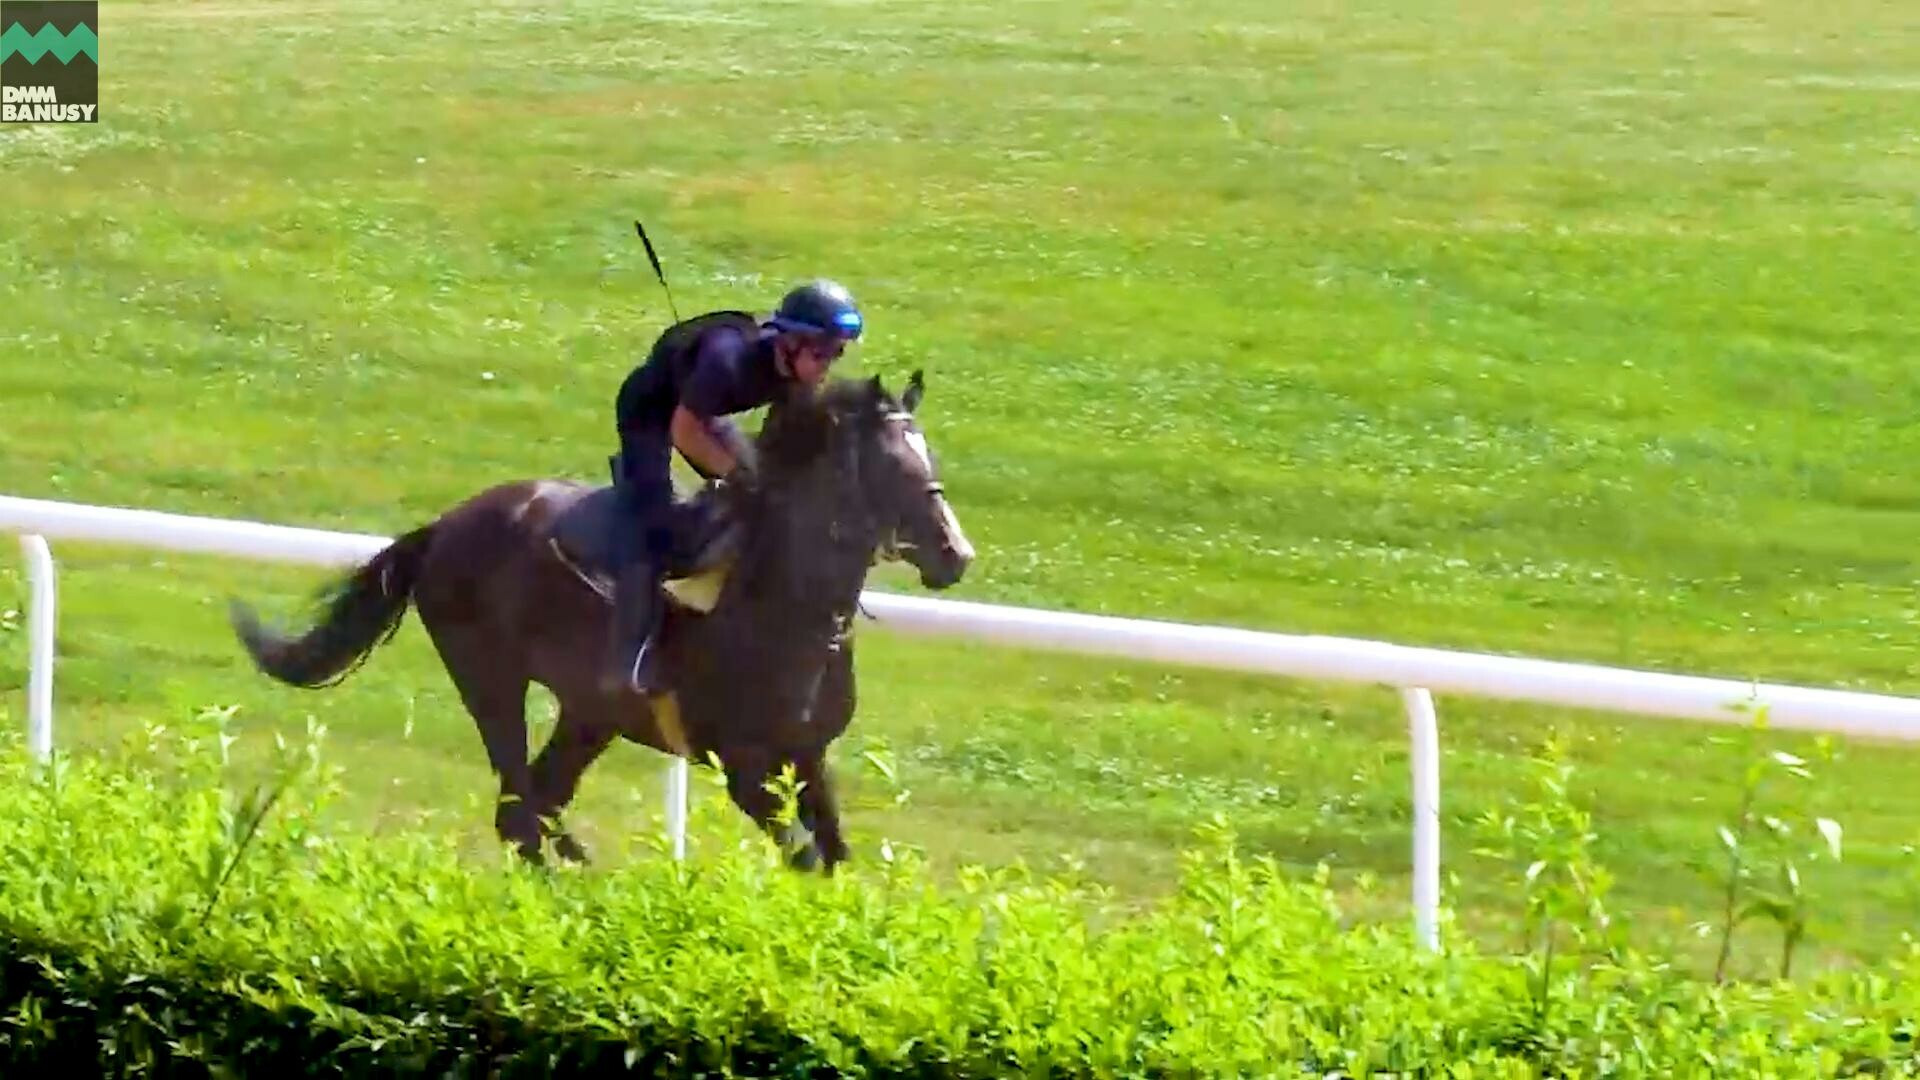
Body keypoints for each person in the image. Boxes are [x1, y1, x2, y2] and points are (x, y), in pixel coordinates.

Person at [602, 278, 864, 694]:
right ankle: (633, 654)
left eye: (836, 353)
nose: (826, 366)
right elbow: (684, 431)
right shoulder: (727, 363)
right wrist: (738, 476)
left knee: (768, 500)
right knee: (657, 525)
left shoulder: (797, 371)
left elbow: (788, 443)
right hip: (653, 413)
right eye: (820, 353)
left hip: (706, 413)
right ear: (789, 343)